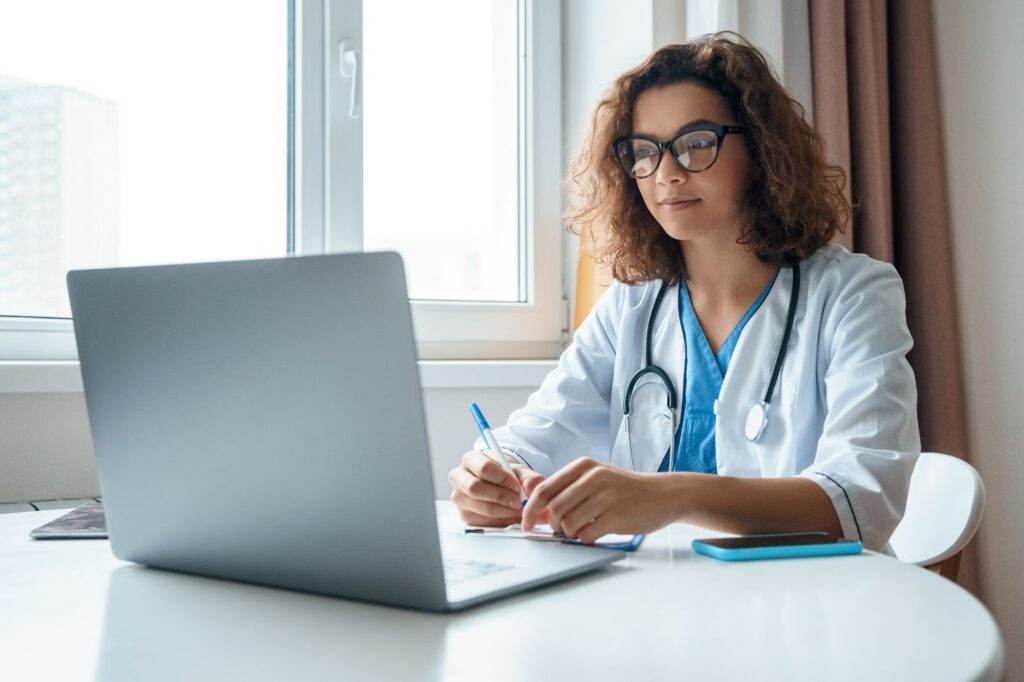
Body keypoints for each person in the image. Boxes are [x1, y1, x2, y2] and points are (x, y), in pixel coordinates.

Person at [447, 32, 920, 553]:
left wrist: (672, 495)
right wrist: (492, 474)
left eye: (697, 143)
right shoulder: (631, 305)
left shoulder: (854, 295)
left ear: (762, 149)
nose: (667, 174)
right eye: (645, 152)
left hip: (812, 608)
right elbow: (530, 439)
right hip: (659, 607)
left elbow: (861, 502)